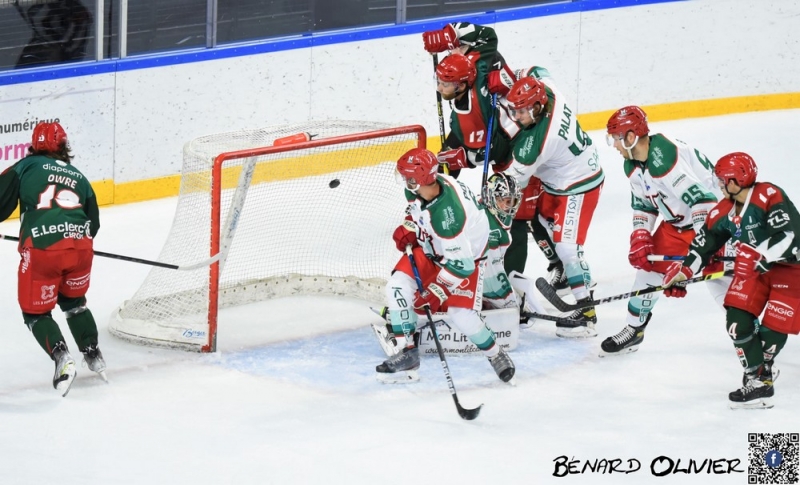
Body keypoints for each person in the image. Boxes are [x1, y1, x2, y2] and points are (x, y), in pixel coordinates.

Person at [663, 152, 800, 409]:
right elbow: (704, 245)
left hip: (791, 269)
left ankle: (762, 371)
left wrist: (760, 254)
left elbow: (789, 236)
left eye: (722, 180)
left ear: (736, 181)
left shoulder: (769, 195)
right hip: (755, 270)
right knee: (737, 322)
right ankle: (759, 380)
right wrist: (683, 272)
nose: (719, 185)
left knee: (771, 333)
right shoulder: (724, 210)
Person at [601, 106, 732, 356]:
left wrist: (699, 253)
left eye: (616, 138)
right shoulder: (632, 164)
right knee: (647, 271)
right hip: (677, 225)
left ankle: (754, 337)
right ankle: (634, 329)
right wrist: (641, 235)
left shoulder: (665, 158)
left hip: (715, 223)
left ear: (630, 137)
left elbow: (703, 202)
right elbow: (643, 204)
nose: (615, 145)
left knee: (724, 286)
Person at [376, 148, 515, 384]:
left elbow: (462, 265)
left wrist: (435, 291)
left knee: (461, 314)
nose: (403, 180)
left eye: (406, 176)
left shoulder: (448, 218)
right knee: (397, 287)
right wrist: (410, 228)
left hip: (467, 257)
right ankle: (407, 352)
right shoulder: (426, 187)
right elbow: (416, 211)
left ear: (418, 178)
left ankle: (496, 354)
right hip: (435, 248)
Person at [0, 121, 105, 396]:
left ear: (34, 146)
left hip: (43, 250)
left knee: (35, 313)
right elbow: (93, 224)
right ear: (64, 146)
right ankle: (93, 353)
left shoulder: (25, 166)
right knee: (74, 304)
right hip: (81, 249)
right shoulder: (79, 177)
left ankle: (61, 357)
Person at [503, 74, 605, 338]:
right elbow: (534, 70)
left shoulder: (539, 142)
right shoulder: (548, 90)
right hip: (560, 178)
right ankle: (569, 272)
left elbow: (511, 180)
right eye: (514, 110)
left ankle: (586, 313)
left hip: (578, 186)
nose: (517, 117)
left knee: (567, 248)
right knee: (540, 222)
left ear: (537, 107)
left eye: (522, 111)